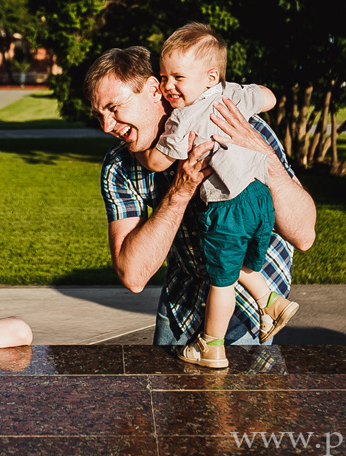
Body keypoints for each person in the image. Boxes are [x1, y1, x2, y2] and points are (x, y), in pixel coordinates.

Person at [85, 42, 316, 357]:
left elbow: (304, 236)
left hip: (250, 294)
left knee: (234, 402)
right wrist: (181, 188)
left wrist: (259, 149)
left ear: (154, 89)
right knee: (165, 397)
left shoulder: (238, 123)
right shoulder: (120, 166)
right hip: (184, 295)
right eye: (100, 116)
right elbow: (134, 275)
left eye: (113, 108)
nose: (107, 127)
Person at [134, 23, 300, 368]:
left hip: (229, 205)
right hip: (259, 196)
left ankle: (211, 346)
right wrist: (240, 103)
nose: (168, 86)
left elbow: (156, 161)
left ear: (210, 77)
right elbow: (267, 96)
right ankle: (271, 300)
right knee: (235, 260)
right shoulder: (234, 94)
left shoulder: (184, 118)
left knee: (221, 278)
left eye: (178, 77)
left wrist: (137, 149)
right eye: (164, 77)